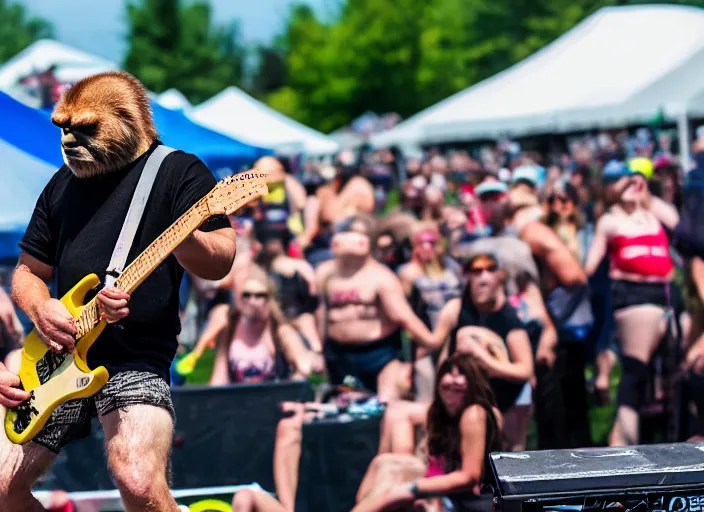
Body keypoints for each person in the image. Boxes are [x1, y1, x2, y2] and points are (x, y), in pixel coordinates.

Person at [0, 71, 239, 512]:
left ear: (127, 120)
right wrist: (40, 306)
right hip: (58, 360)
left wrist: (183, 233)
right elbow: (27, 272)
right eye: (63, 127)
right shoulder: (60, 185)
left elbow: (221, 259)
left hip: (135, 357)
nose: (68, 139)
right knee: (4, 488)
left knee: (139, 482)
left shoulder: (177, 171)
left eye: (85, 128)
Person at [584, 161, 680, 446]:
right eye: (621, 181)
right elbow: (590, 266)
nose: (629, 184)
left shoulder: (652, 213)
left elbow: (678, 224)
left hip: (666, 294)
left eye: (632, 180)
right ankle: (621, 449)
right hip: (633, 295)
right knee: (635, 374)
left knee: (669, 376)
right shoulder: (610, 220)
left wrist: (645, 192)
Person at [352, 354, 503, 512]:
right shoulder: (442, 415)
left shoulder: (474, 412)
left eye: (461, 374)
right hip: (442, 496)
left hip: (467, 503)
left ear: (474, 383)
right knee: (384, 463)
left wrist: (412, 488)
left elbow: (469, 477)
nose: (453, 380)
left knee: (393, 482)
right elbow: (398, 412)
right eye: (449, 373)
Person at [209, 266, 315, 385]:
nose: (252, 301)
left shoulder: (280, 331)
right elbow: (219, 376)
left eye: (259, 295)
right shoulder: (230, 329)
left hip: (272, 397)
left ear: (269, 299)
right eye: (246, 295)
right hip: (238, 398)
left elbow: (304, 368)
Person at [298, 150, 375, 267]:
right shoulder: (330, 190)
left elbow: (332, 217)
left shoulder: (358, 186)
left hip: (348, 245)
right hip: (334, 245)